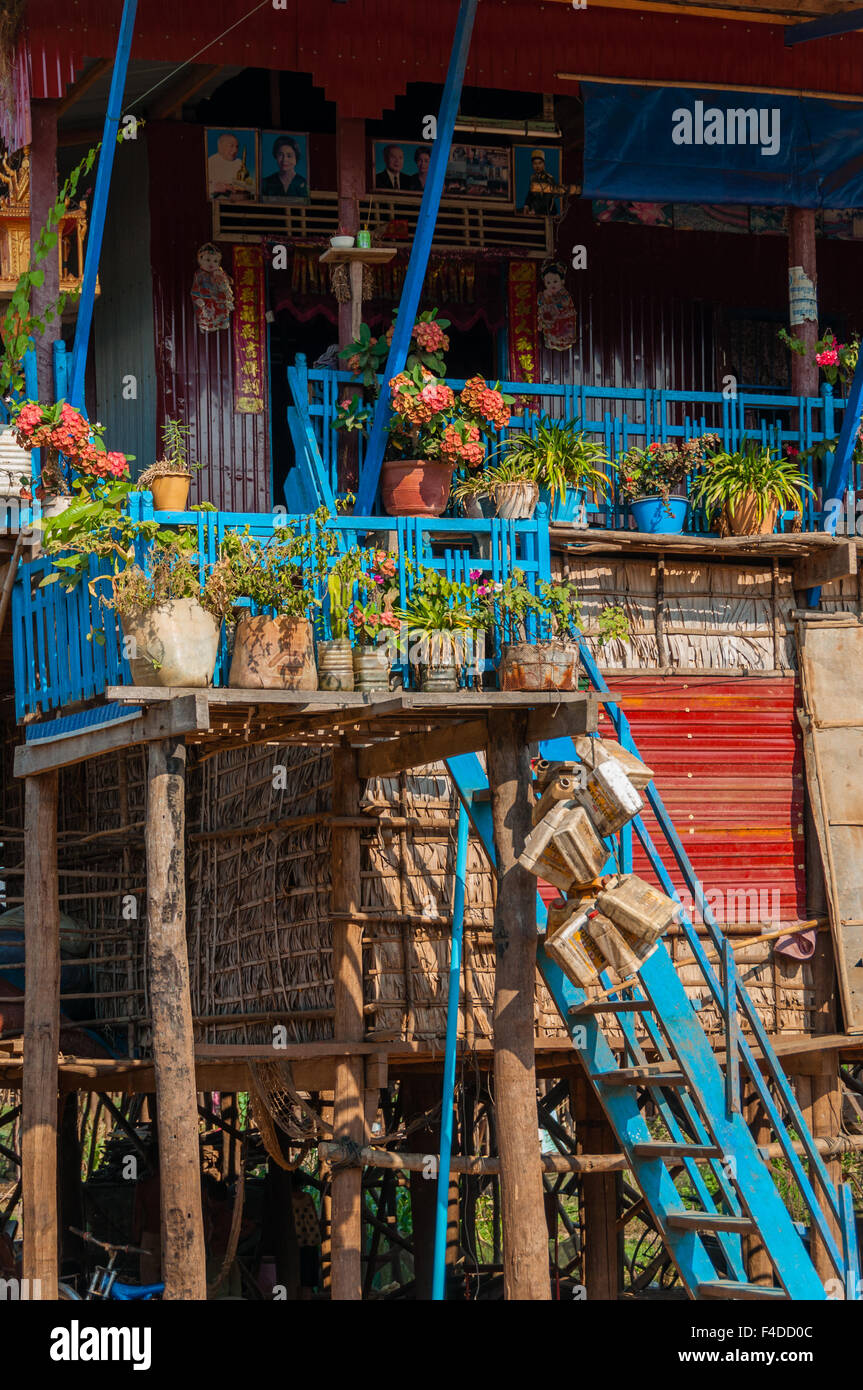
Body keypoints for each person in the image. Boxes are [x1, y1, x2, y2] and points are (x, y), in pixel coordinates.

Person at [537, 259, 577, 351]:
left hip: (563, 322)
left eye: (555, 281)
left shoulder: (564, 294)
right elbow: (541, 305)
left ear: (562, 281)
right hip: (551, 323)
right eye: (548, 283)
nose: (552, 285)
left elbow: (564, 303)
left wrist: (551, 299)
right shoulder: (544, 294)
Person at [208, 132, 254, 199]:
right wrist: (219, 187)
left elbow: (249, 185)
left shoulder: (239, 162)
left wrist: (246, 185)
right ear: (220, 147)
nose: (235, 150)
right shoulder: (210, 162)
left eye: (237, 147)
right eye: (231, 146)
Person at [261, 135, 309, 200]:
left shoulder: (304, 183)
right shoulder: (265, 183)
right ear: (276, 156)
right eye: (280, 155)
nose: (284, 160)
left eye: (289, 156)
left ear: (296, 159)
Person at [523, 149, 558, 216]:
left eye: (540, 163)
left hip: (547, 210)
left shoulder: (549, 178)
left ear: (544, 164)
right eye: (535, 163)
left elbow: (547, 199)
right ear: (532, 165)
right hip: (535, 208)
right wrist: (526, 205)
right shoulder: (533, 177)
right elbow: (530, 193)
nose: (537, 166)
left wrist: (535, 210)